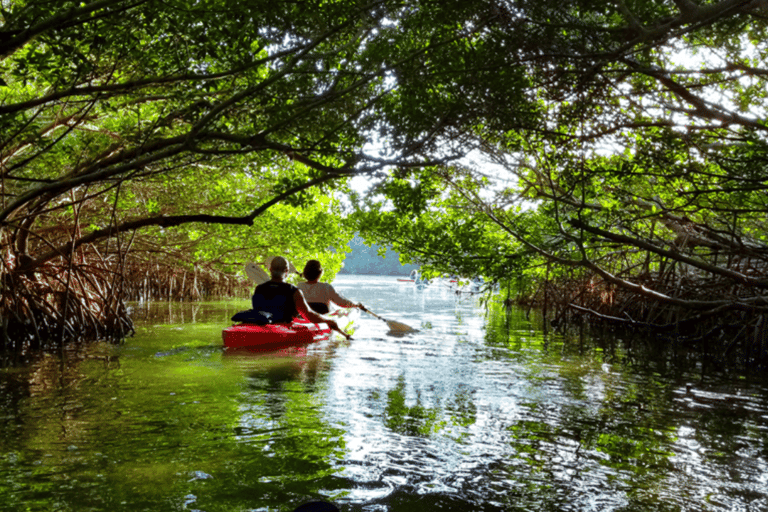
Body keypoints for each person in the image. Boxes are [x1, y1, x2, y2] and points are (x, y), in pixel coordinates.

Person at [251, 256, 345, 334]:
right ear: (287, 271)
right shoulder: (293, 291)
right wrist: (328, 321)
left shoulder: (258, 288)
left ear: (270, 269)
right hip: (283, 328)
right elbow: (308, 314)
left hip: (264, 327)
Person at [297, 259, 363, 314]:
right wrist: (355, 305)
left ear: (305, 273)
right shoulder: (326, 287)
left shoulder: (299, 286)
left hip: (305, 317)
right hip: (322, 317)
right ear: (320, 273)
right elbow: (341, 302)